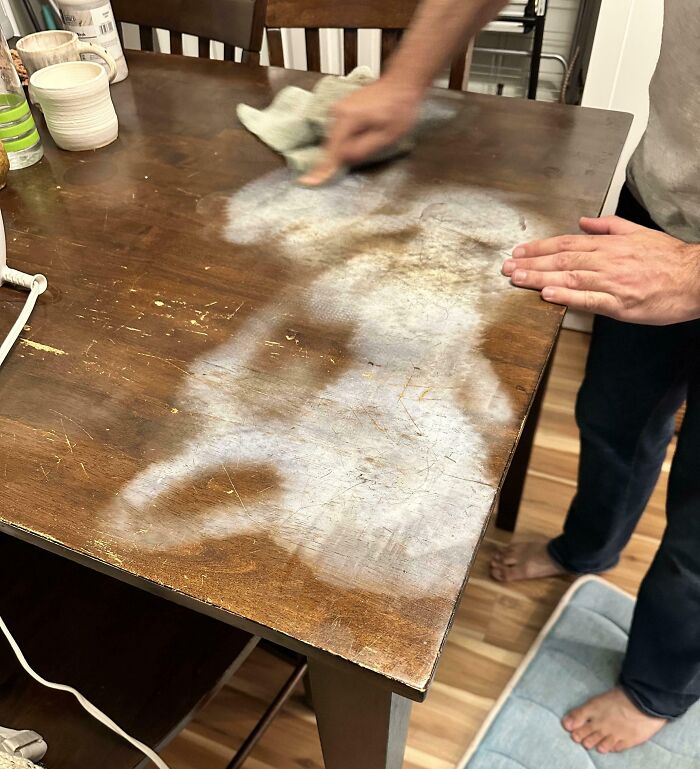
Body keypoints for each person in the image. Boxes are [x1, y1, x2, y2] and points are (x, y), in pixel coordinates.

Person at [300, 0, 700, 756]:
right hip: (662, 212)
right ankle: (588, 546)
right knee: (613, 417)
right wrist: (405, 78)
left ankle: (659, 685)